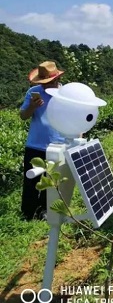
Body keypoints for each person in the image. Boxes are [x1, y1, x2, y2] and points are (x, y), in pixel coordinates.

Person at [20, 61, 66, 220]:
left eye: (49, 82)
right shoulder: (33, 92)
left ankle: (44, 211)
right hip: (35, 145)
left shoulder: (65, 93)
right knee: (31, 181)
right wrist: (32, 107)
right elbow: (23, 116)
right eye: (43, 83)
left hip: (58, 145)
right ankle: (27, 213)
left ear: (56, 79)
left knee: (51, 181)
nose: (46, 86)